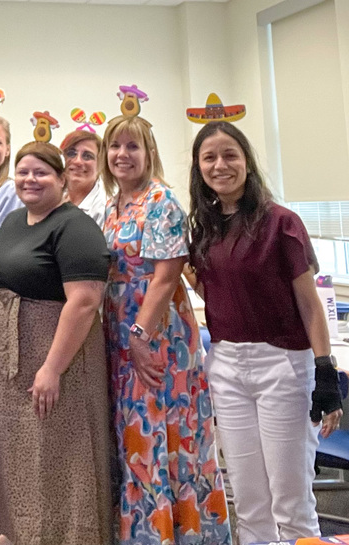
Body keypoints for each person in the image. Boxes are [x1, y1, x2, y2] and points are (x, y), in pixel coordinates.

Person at [187, 121, 342, 544]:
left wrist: (325, 371)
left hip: (283, 365)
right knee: (249, 500)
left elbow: (310, 304)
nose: (220, 165)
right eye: (209, 157)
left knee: (290, 500)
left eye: (230, 155)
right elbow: (220, 290)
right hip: (227, 366)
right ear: (199, 167)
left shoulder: (281, 223)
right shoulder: (203, 227)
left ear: (247, 162)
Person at [0, 141, 113, 545]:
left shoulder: (75, 226)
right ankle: (15, 528)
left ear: (62, 180)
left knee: (54, 454)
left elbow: (84, 302)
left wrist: (52, 368)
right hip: (9, 361)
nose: (30, 180)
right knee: (16, 451)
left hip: (53, 357)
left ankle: (60, 534)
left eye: (41, 173)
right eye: (23, 172)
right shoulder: (15, 220)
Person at [100, 115, 231, 545]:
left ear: (148, 152)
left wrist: (140, 336)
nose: (123, 154)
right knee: (137, 443)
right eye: (115, 146)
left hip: (158, 339)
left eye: (132, 146)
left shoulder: (161, 201)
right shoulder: (114, 205)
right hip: (123, 335)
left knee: (163, 442)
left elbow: (166, 275)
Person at [60, 129, 107, 228]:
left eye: (87, 156)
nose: (78, 161)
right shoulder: (53, 198)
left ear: (100, 163)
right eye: (71, 153)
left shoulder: (105, 209)